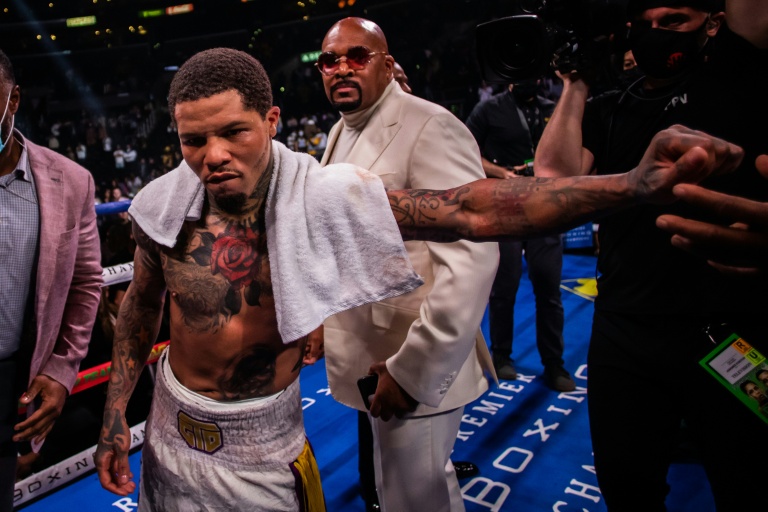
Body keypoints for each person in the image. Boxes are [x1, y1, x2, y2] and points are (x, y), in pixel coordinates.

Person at [92, 46, 743, 512]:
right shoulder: (160, 205)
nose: (213, 157)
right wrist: (117, 415)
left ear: (271, 121)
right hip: (169, 430)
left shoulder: (320, 195)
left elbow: (469, 208)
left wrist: (629, 185)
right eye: (193, 140)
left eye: (233, 132)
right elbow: (141, 307)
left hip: (260, 447)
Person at [534, 0, 768, 509]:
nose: (656, 33)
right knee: (627, 489)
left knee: (748, 483)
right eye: (645, 25)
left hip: (731, 325)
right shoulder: (614, 104)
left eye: (673, 21)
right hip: (626, 327)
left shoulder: (738, 74)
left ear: (713, 22)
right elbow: (553, 178)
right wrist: (577, 81)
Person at [317, 18, 499, 512]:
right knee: (396, 494)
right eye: (330, 61)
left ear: (387, 64)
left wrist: (413, 370)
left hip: (410, 353)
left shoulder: (429, 124)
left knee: (420, 501)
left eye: (357, 56)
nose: (341, 68)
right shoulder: (340, 130)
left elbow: (473, 254)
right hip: (370, 351)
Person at [0, 48, 102, 510]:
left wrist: (62, 369)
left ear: (14, 99)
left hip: (11, 381)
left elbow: (85, 283)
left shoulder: (71, 181)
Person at [466, 79, 574, 391]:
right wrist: (500, 172)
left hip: (545, 205)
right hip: (505, 205)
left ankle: (554, 363)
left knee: (549, 289)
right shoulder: (489, 109)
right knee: (504, 287)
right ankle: (501, 356)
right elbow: (466, 150)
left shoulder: (553, 109)